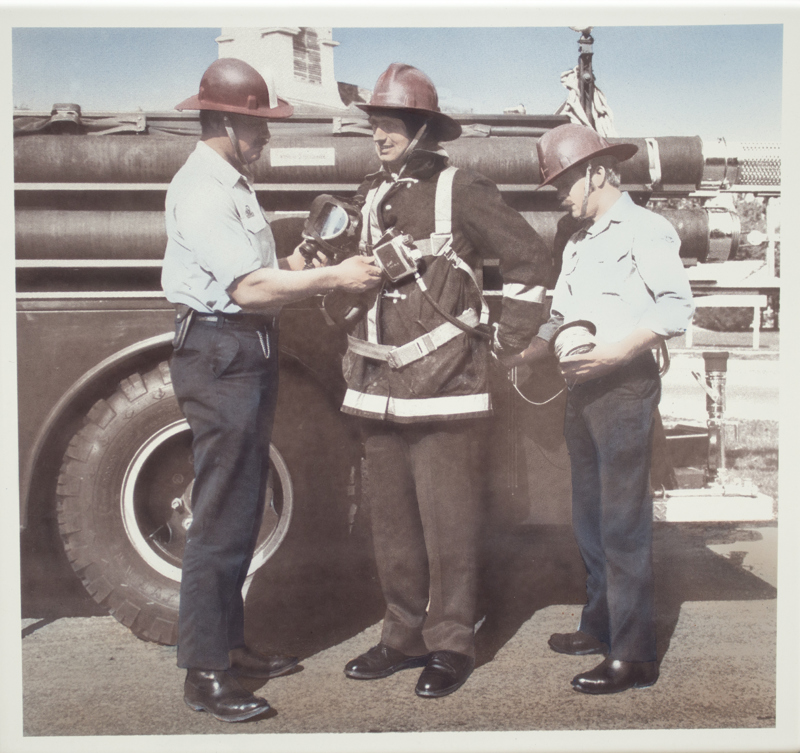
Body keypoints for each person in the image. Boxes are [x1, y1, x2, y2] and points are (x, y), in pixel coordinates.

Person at [162, 58, 381, 722]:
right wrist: (335, 278)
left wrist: (298, 265)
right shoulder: (203, 188)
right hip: (223, 348)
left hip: (242, 347)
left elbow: (261, 273)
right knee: (223, 515)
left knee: (240, 508)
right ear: (228, 122)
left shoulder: (230, 183)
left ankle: (230, 645)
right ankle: (204, 670)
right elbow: (247, 290)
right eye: (260, 126)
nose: (267, 139)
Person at [340, 63, 551, 698]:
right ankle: (402, 635)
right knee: (394, 524)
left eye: (390, 123)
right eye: (374, 124)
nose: (378, 135)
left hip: (447, 388)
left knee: (448, 525)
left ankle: (452, 642)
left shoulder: (461, 187)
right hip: (376, 385)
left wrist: (510, 341)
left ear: (422, 128)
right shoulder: (372, 191)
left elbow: (529, 259)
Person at [505, 123, 694, 694]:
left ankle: (633, 655)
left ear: (597, 173)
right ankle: (599, 623)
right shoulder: (579, 238)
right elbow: (561, 313)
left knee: (622, 522)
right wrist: (524, 354)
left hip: (624, 389)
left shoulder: (647, 229)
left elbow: (676, 306)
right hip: (581, 390)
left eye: (563, 182)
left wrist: (615, 351)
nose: (558, 194)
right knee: (587, 515)